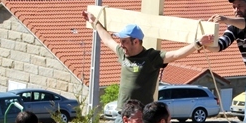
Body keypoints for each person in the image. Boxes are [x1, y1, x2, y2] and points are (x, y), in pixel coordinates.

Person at [85, 12, 216, 112]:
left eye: (124, 41)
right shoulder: (122, 53)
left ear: (135, 41)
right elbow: (107, 40)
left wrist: (198, 43)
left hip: (142, 113)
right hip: (123, 112)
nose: (121, 44)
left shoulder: (151, 57)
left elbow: (176, 54)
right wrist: (95, 22)